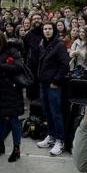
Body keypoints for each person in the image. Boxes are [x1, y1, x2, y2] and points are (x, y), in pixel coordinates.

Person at [0, 30, 24, 162]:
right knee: (0, 119)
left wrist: (2, 67)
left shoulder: (12, 50)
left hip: (11, 90)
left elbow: (19, 67)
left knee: (14, 120)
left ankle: (16, 149)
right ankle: (0, 144)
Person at [35, 21, 70, 156]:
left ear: (54, 30)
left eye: (50, 28)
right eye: (45, 29)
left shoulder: (59, 45)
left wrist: (56, 81)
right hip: (43, 83)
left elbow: (64, 65)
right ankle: (51, 136)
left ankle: (60, 141)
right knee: (47, 111)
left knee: (56, 113)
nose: (47, 31)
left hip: (54, 85)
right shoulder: (43, 44)